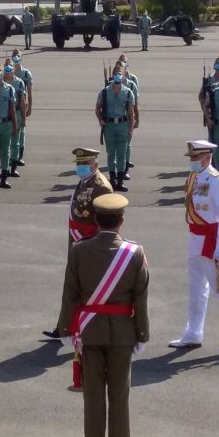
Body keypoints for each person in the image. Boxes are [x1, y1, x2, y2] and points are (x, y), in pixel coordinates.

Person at [57, 193, 149, 437]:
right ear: (122, 221)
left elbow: (70, 294)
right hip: (122, 333)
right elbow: (140, 297)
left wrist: (65, 328)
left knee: (93, 393)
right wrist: (142, 333)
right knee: (120, 393)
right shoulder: (135, 252)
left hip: (89, 331)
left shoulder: (79, 250)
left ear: (96, 220)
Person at [169, 140, 219, 353]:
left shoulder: (217, 181)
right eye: (191, 158)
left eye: (196, 157)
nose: (193, 161)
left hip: (210, 241)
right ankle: (193, 333)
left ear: (207, 157)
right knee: (196, 289)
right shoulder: (194, 176)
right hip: (195, 239)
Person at [42, 147, 113, 340]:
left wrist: (96, 248)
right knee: (72, 286)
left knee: (85, 289)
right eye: (79, 164)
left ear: (95, 164)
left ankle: (79, 328)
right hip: (78, 243)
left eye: (85, 164)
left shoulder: (101, 186)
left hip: (89, 245)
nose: (81, 167)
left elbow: (104, 222)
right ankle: (64, 326)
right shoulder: (85, 181)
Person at [96, 64, 135, 192]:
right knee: (111, 153)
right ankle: (112, 180)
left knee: (122, 154)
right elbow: (97, 108)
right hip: (109, 126)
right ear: (113, 76)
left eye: (120, 73)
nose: (118, 76)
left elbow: (130, 112)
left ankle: (120, 180)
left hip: (122, 125)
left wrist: (130, 128)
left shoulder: (128, 92)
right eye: (116, 74)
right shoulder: (104, 92)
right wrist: (100, 120)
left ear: (123, 76)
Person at [114, 60, 139, 180]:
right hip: (113, 122)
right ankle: (116, 171)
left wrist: (136, 118)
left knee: (126, 145)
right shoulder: (110, 86)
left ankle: (124, 168)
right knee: (114, 148)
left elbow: (135, 104)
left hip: (127, 119)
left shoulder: (131, 83)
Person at [3, 58, 27, 179]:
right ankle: (5, 168)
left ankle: (13, 168)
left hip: (16, 113)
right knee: (5, 144)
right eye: (6, 68)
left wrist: (23, 117)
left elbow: (22, 101)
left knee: (15, 143)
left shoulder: (19, 83)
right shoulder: (0, 82)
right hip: (4, 116)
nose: (8, 71)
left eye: (10, 68)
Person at [12, 49, 33, 166]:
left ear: (21, 58)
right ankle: (12, 157)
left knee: (21, 132)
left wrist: (29, 108)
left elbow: (29, 92)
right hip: (10, 107)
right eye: (14, 56)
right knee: (12, 132)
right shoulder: (8, 72)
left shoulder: (26, 74)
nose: (15, 58)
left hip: (21, 108)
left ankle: (19, 156)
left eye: (17, 56)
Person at [199, 57, 219, 142]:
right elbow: (200, 97)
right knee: (212, 142)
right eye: (217, 67)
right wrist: (207, 117)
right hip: (212, 115)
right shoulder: (209, 80)